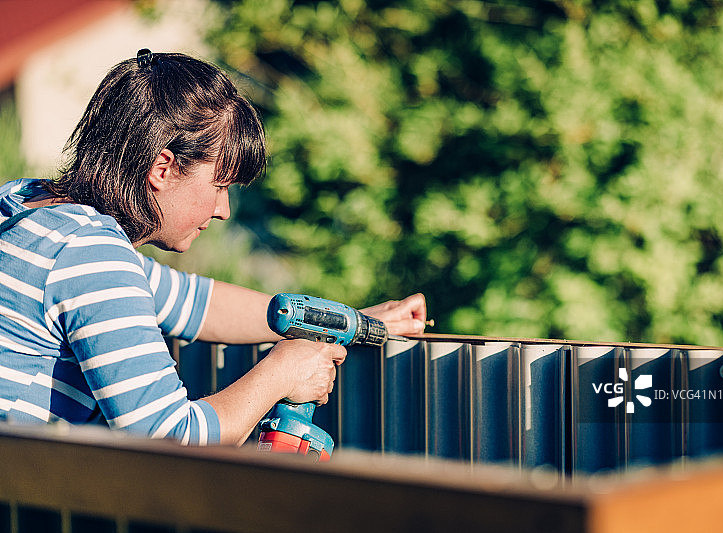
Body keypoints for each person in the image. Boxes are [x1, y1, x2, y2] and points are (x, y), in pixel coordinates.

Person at [0, 49, 427, 447]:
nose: (223, 210)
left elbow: (194, 302)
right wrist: (283, 371)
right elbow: (170, 440)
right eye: (219, 185)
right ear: (163, 168)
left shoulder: (27, 208)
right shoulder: (90, 254)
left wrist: (347, 319)